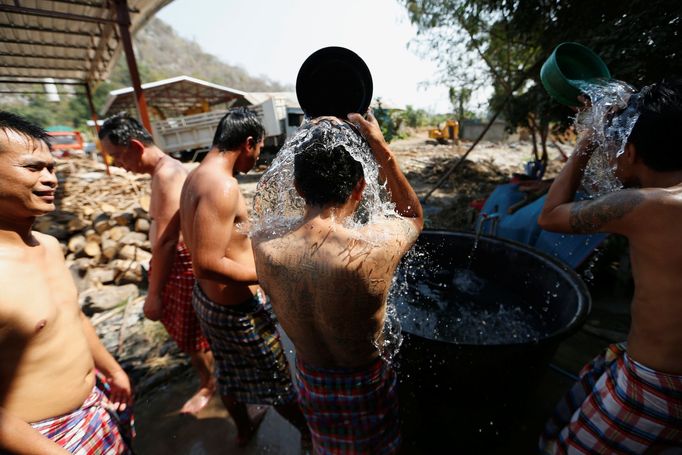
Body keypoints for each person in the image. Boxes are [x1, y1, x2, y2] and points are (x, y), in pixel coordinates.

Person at [252, 113, 424, 453]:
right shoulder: (374, 248)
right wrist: (379, 145)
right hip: (366, 384)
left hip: (312, 382)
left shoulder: (264, 243)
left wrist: (309, 139)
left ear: (299, 187)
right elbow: (412, 216)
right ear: (360, 186)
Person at [537, 79, 682, 453]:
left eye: (616, 144)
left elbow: (550, 216)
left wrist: (586, 140)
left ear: (631, 151)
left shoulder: (647, 205)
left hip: (654, 385)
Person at [0, 111, 134, 453]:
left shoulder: (49, 246)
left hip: (96, 407)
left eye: (51, 168)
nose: (50, 179)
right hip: (42, 440)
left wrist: (113, 370)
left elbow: (72, 317)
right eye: (33, 168)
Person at [179, 107, 308, 447]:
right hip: (237, 313)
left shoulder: (195, 176)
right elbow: (205, 263)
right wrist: (269, 275)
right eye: (259, 149)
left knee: (231, 375)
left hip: (208, 302)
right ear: (248, 143)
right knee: (278, 381)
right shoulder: (223, 186)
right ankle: (313, 436)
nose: (258, 157)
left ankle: (242, 432)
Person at [98, 113, 214, 414]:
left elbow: (165, 241)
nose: (119, 165)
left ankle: (210, 385)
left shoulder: (165, 175)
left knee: (192, 336)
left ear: (136, 147)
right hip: (180, 263)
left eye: (119, 157)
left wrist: (153, 293)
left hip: (181, 265)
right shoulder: (167, 170)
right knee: (197, 334)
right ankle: (212, 381)